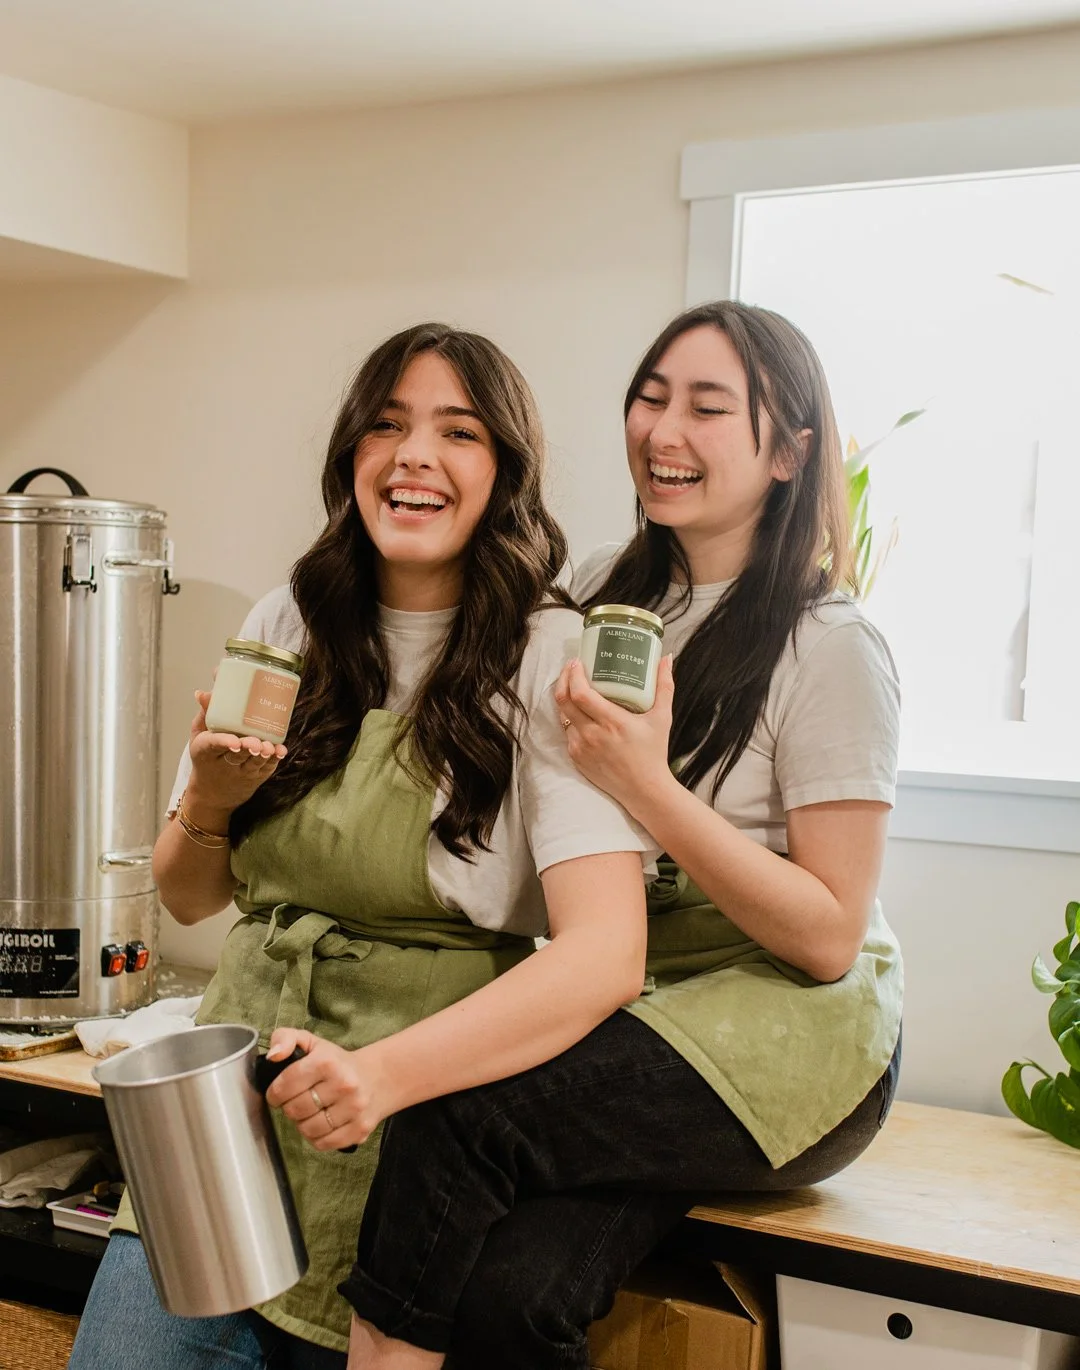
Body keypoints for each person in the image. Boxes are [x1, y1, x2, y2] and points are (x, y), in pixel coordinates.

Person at [68, 323, 655, 1370]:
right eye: (386, 425)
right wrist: (209, 791)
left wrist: (374, 1077)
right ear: (351, 457)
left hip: (412, 1126)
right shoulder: (289, 619)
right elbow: (191, 895)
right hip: (222, 1108)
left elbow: (607, 951)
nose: (414, 455)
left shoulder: (547, 653)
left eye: (457, 431)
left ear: (504, 473)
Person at [335, 300, 903, 1370]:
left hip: (796, 1032)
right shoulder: (594, 587)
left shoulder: (830, 645)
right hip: (645, 1011)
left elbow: (829, 936)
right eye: (650, 397)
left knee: (447, 1118)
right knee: (510, 1297)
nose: (663, 431)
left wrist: (649, 785)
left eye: (707, 407)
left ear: (788, 451)